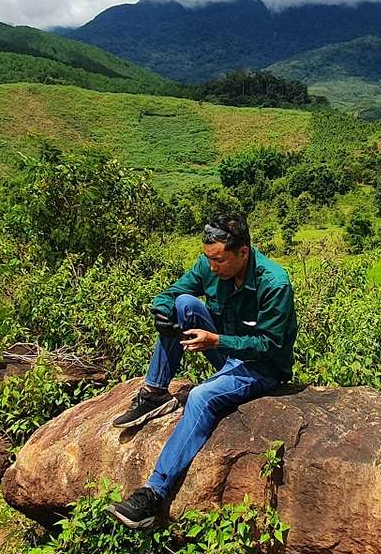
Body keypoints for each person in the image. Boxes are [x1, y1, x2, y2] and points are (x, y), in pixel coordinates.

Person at [106, 212, 296, 529]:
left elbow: (270, 346)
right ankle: (154, 393)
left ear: (243, 252)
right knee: (183, 305)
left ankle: (154, 495)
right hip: (225, 351)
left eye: (219, 260)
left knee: (201, 396)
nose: (212, 267)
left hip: (262, 368)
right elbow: (169, 295)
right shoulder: (210, 266)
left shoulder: (274, 283)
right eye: (208, 259)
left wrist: (216, 339)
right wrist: (163, 312)